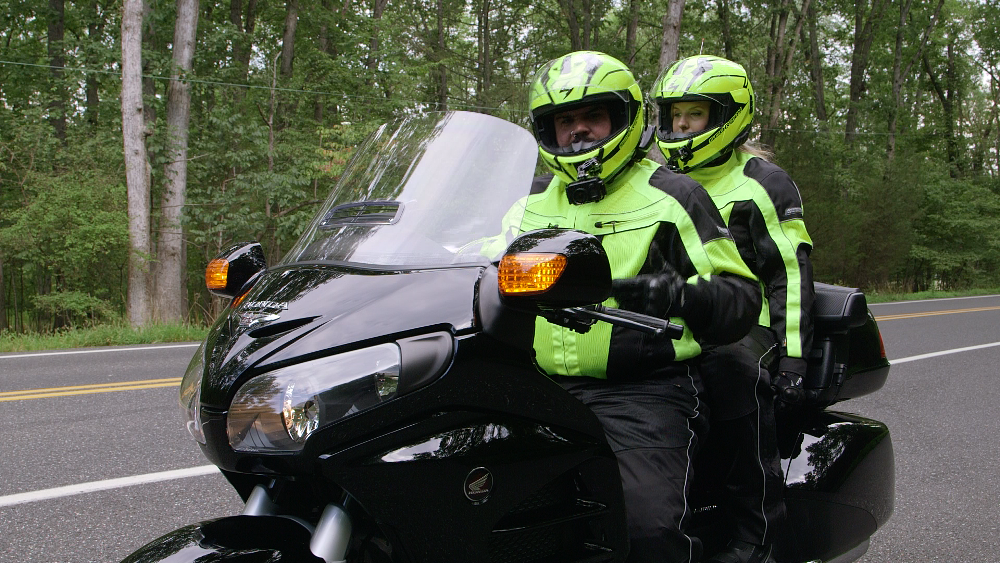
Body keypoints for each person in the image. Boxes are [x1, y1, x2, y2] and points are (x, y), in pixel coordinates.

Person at [487, 50, 762, 563]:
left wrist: (681, 295)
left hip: (642, 390)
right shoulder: (525, 208)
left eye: (593, 116)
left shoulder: (673, 196)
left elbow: (741, 297)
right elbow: (473, 275)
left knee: (645, 531)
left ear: (624, 118)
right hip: (536, 387)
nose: (579, 131)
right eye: (565, 121)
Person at [650, 55, 816, 563]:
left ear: (727, 116)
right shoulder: (656, 181)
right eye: (676, 115)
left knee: (729, 368)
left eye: (694, 115)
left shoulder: (761, 181)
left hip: (746, 325)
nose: (681, 126)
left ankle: (756, 535)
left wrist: (792, 356)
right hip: (676, 318)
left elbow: (789, 269)